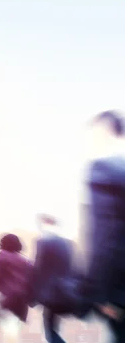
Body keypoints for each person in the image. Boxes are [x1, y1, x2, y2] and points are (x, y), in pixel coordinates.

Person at [81, 111, 125, 343]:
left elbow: (103, 237)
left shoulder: (104, 170)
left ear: (105, 132)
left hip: (120, 290)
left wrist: (98, 293)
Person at [31, 214, 75, 343]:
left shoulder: (42, 242)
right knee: (53, 330)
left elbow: (38, 268)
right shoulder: (67, 243)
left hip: (50, 294)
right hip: (66, 292)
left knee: (50, 332)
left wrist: (34, 295)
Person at [0, 233, 33, 343]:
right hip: (22, 300)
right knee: (15, 328)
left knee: (8, 328)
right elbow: (30, 280)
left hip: (7, 297)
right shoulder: (25, 260)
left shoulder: (2, 255)